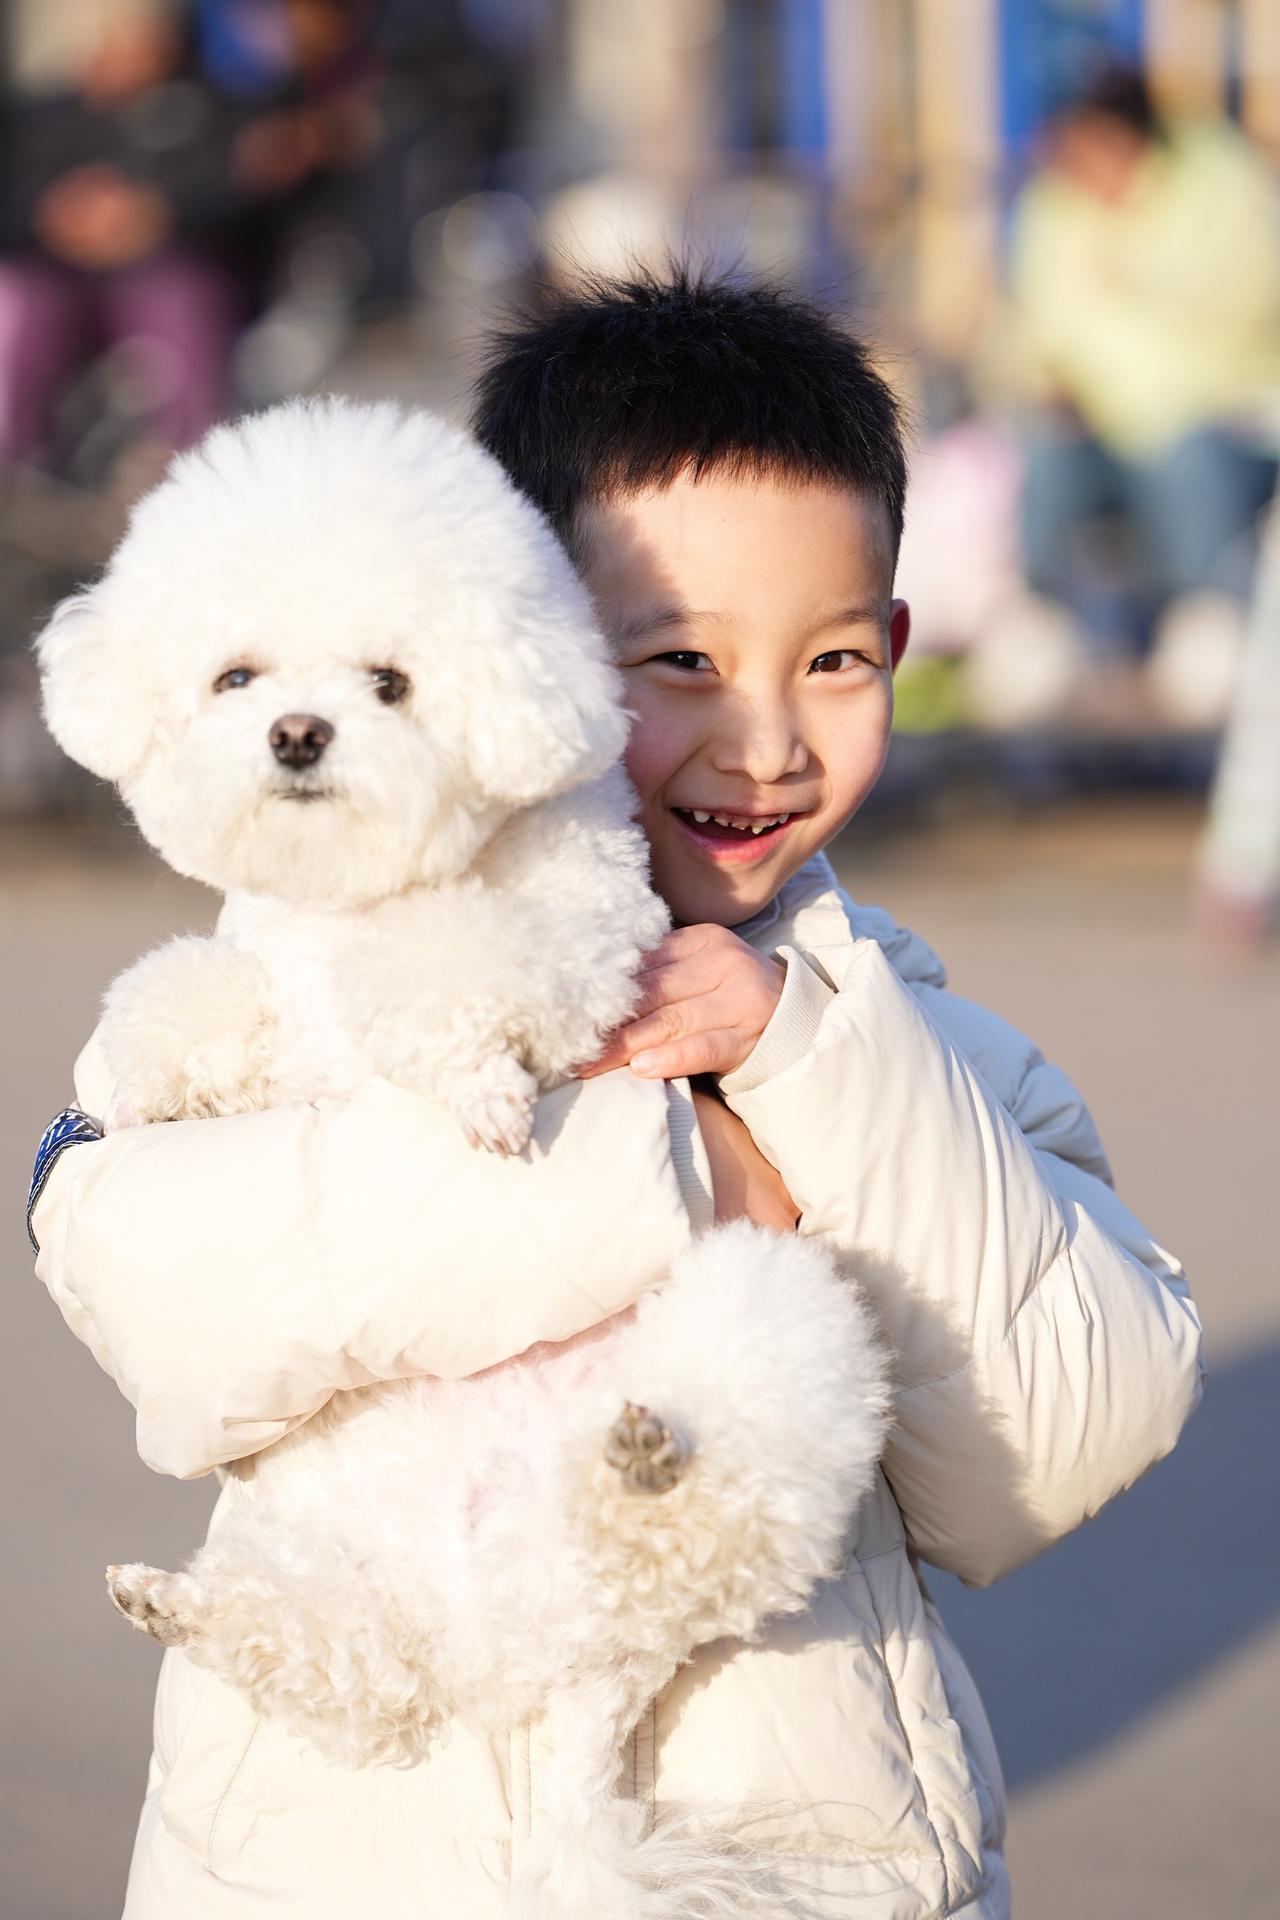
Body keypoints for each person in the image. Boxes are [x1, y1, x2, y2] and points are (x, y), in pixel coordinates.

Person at [29, 269, 1203, 1919]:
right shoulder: (283, 971)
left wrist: (802, 1056)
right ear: (511, 636)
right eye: (678, 661)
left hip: (782, 1858)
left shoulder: (903, 1026)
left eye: (836, 661)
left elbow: (1072, 1426)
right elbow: (162, 1304)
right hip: (325, 1858)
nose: (765, 741)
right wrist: (685, 1174)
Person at [1007, 66, 1280, 691]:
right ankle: (1042, 622)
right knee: (1047, 452)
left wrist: (1116, 362)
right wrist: (1051, 379)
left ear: (1124, 138)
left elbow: (1240, 318)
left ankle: (1207, 617)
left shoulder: (1223, 189)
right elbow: (1031, 327)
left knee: (1184, 454)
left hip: (1224, 415)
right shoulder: (1054, 204)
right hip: (1098, 417)